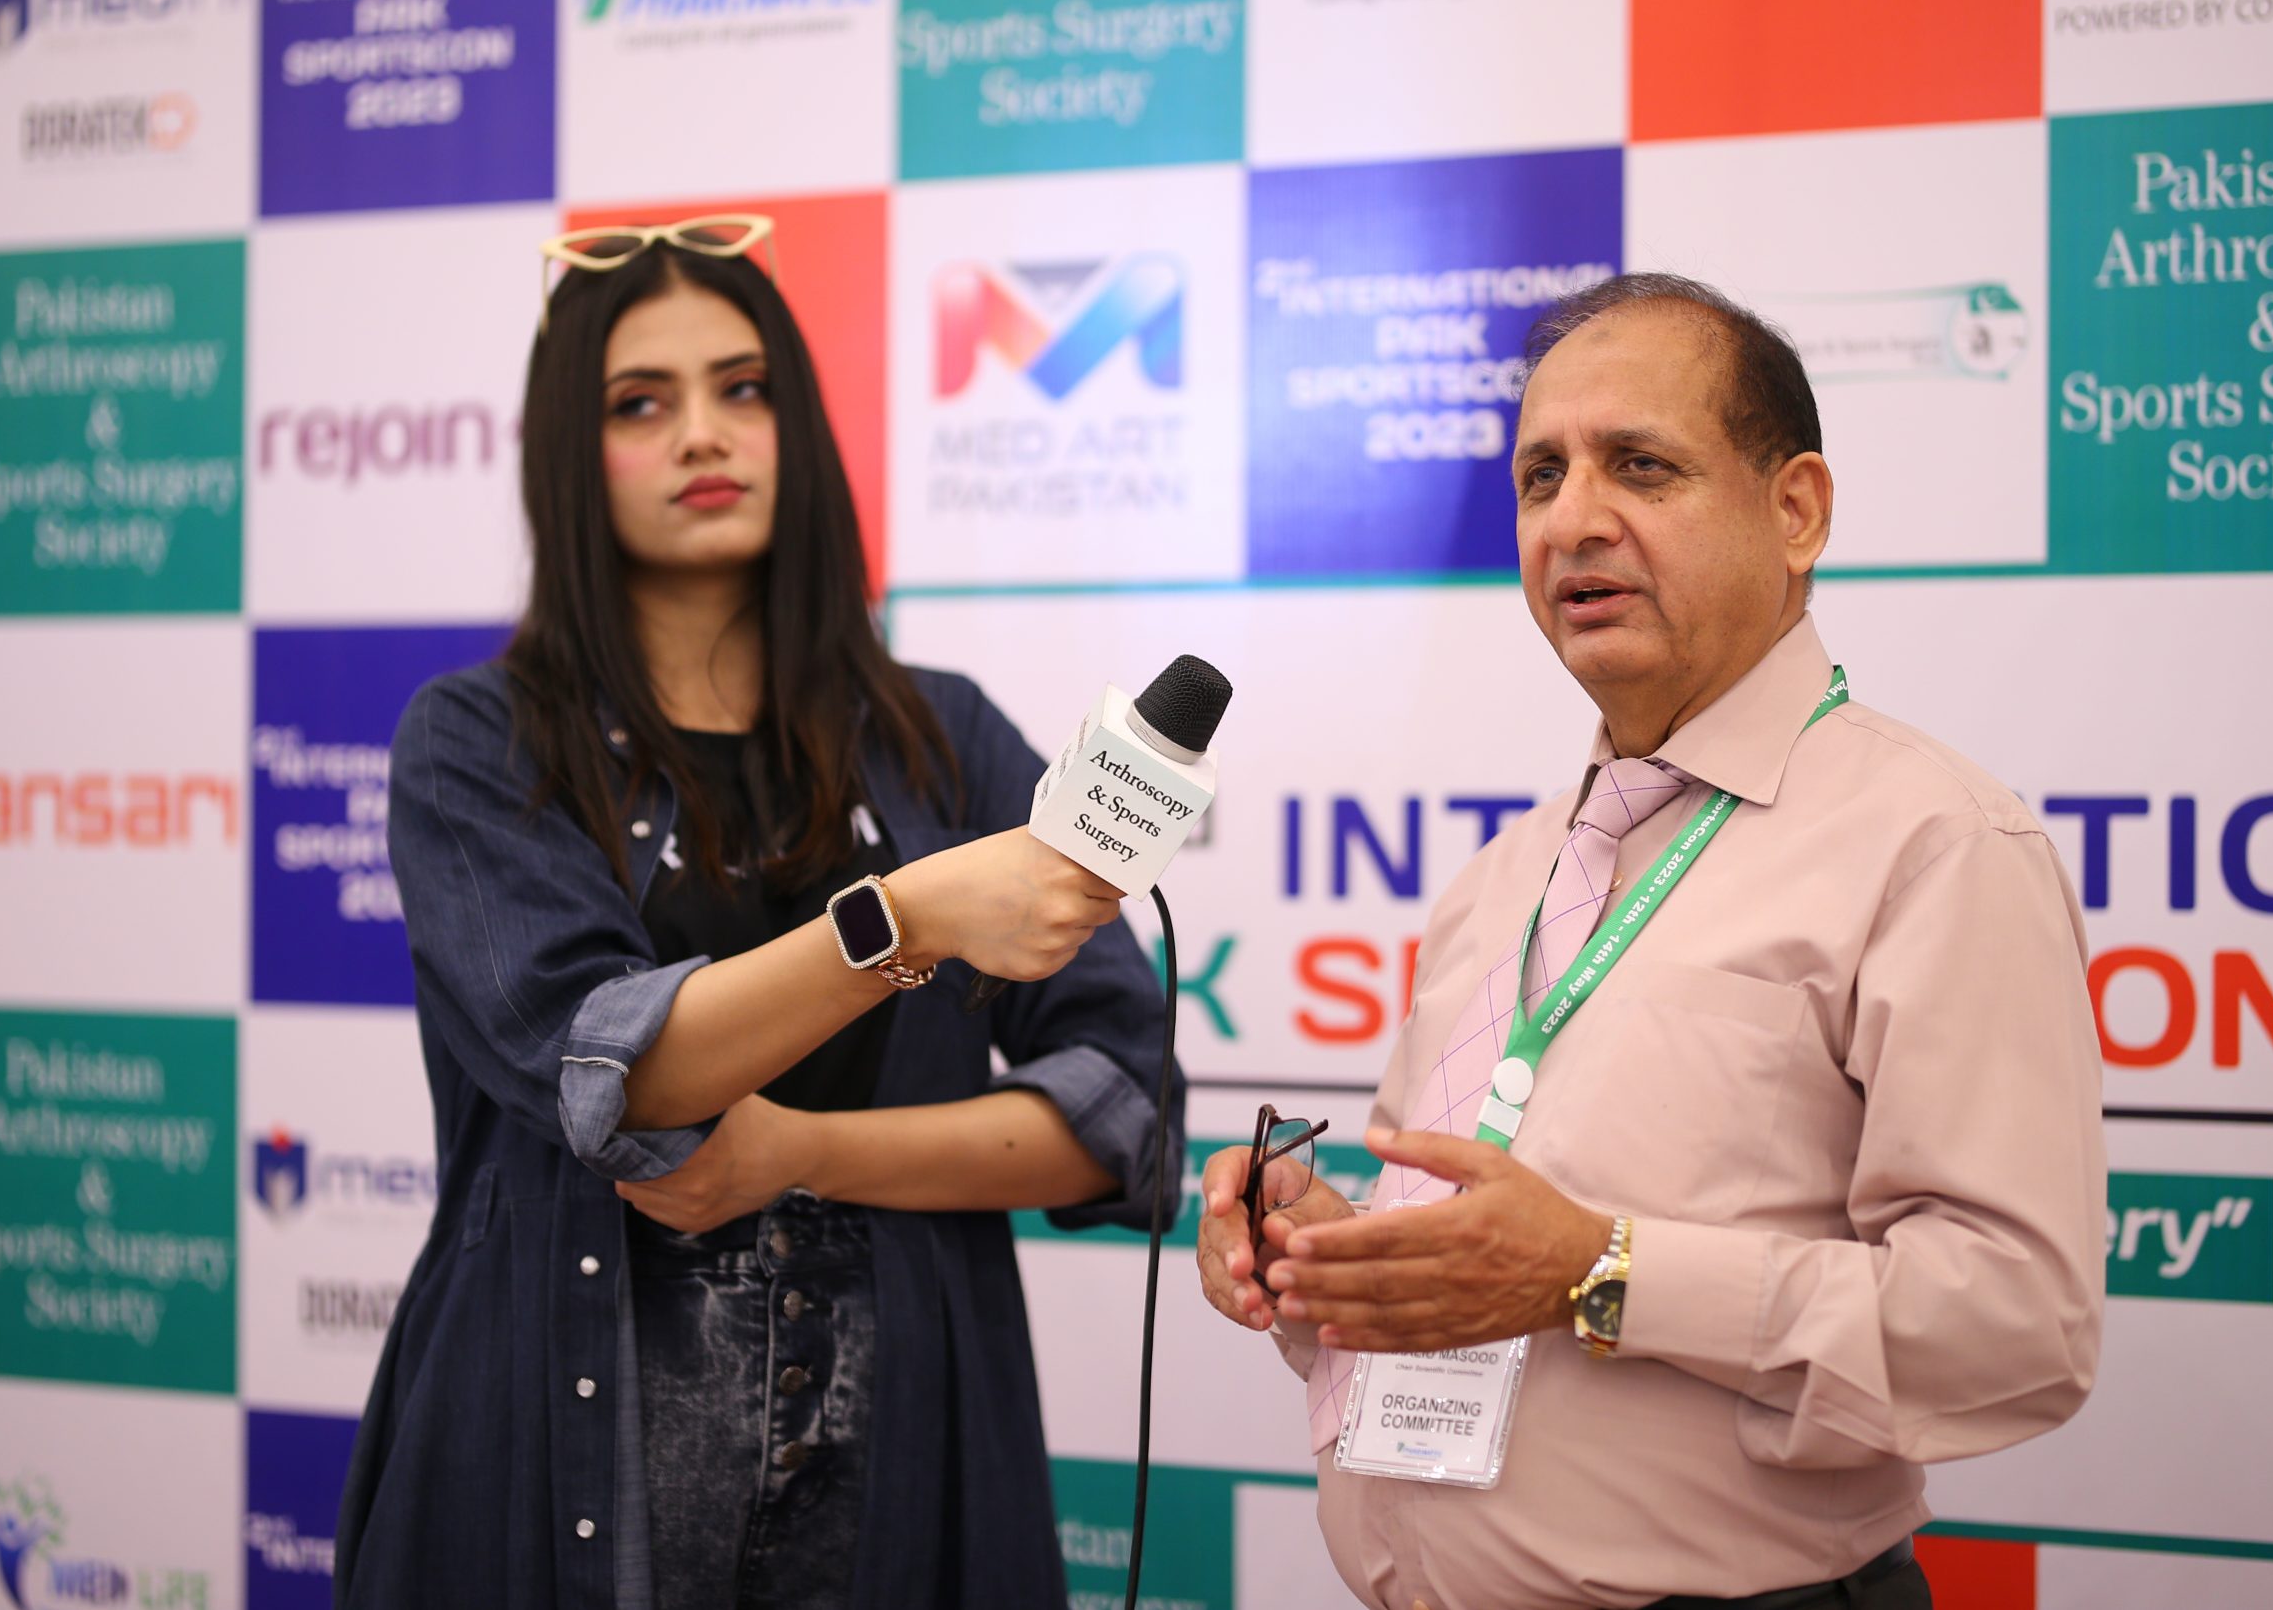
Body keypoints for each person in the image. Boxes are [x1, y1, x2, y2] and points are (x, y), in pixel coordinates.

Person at [1196, 274, 2105, 1610]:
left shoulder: (1935, 843)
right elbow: (1476, 1278)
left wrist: (1600, 1275)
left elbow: (2017, 1329)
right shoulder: (1503, 876)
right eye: (1541, 476)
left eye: (1641, 466)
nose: (1573, 520)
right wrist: (1334, 1261)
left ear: (1796, 511)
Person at [334, 216, 1182, 1610]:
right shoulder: (479, 740)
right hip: (558, 1462)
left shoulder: (943, 739)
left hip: (903, 1450)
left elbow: (1126, 1114)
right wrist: (904, 916)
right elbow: (620, 1076)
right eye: (639, 403)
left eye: (743, 388)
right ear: (570, 451)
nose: (702, 434)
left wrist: (807, 1153)